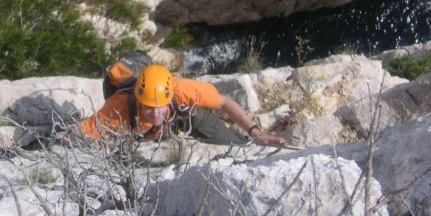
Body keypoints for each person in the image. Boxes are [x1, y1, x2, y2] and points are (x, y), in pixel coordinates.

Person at [77, 64, 285, 147]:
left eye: (161, 106)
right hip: (134, 130)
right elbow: (78, 134)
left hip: (178, 119)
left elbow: (225, 102)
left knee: (202, 121)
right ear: (139, 99)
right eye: (149, 107)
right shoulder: (119, 108)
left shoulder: (182, 90)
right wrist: (101, 141)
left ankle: (242, 143)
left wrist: (255, 133)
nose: (155, 113)